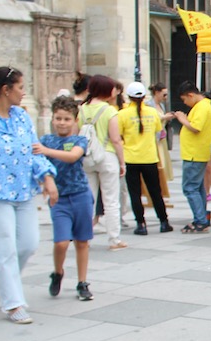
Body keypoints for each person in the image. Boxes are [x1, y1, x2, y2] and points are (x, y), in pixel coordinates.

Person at [0, 67, 58, 325]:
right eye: (20, 87)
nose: (24, 92)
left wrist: (47, 177)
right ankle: (13, 303)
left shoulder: (22, 117)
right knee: (4, 249)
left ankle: (1, 277)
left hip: (24, 191)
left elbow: (34, 150)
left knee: (29, 243)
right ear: (6, 90)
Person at [34, 96, 95, 301]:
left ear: (75, 121)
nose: (62, 123)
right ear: (52, 119)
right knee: (61, 242)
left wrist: (46, 152)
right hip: (58, 198)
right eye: (58, 118)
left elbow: (73, 156)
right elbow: (38, 163)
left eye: (67, 119)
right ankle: (58, 271)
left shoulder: (79, 140)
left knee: (82, 241)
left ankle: (82, 281)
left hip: (80, 194)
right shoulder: (46, 139)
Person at [80, 75, 128, 251]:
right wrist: (122, 162)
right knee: (111, 200)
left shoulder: (82, 109)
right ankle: (114, 239)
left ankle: (85, 237)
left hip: (88, 156)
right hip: (107, 156)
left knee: (88, 199)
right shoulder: (109, 111)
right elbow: (116, 139)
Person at [119, 81, 173, 235]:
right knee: (155, 191)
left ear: (129, 97)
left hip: (131, 158)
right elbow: (158, 131)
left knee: (135, 193)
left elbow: (119, 135)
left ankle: (141, 224)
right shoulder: (152, 112)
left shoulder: (122, 114)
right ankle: (164, 222)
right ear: (144, 96)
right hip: (150, 157)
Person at [170, 82, 211, 233]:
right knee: (197, 187)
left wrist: (182, 119)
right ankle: (200, 218)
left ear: (190, 95)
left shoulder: (202, 107)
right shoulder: (202, 106)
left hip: (194, 153)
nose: (184, 103)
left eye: (184, 99)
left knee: (190, 188)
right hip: (196, 152)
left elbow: (195, 127)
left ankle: (201, 220)